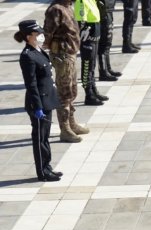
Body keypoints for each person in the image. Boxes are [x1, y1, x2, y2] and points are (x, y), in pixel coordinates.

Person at [16, 20, 61, 182]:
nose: (41, 36)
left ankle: (47, 166)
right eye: (37, 34)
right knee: (39, 138)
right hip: (39, 102)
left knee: (45, 136)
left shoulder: (38, 50)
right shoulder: (27, 56)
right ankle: (42, 172)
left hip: (47, 99)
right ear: (29, 37)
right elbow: (31, 84)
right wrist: (37, 106)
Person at [44, 0, 89, 143]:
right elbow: (47, 32)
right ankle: (65, 129)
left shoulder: (67, 6)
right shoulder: (56, 9)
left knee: (72, 89)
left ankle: (72, 123)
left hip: (70, 53)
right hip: (62, 55)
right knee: (64, 92)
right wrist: (49, 47)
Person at [74, 0, 108, 107]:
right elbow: (81, 21)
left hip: (95, 31)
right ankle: (88, 95)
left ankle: (94, 90)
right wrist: (83, 31)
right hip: (87, 35)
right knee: (87, 66)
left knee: (92, 65)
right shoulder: (81, 1)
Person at [95, 0, 122, 82]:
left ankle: (108, 69)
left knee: (108, 42)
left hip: (108, 9)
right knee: (103, 45)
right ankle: (103, 72)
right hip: (103, 10)